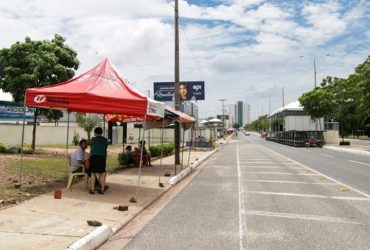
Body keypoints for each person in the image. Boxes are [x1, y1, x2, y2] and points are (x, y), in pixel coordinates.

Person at [89, 127, 108, 194]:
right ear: (101, 132)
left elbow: (91, 147)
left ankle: (92, 189)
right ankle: (102, 189)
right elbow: (105, 147)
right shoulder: (105, 140)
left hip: (94, 156)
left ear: (95, 133)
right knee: (102, 173)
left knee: (93, 173)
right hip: (102, 157)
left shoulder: (93, 139)